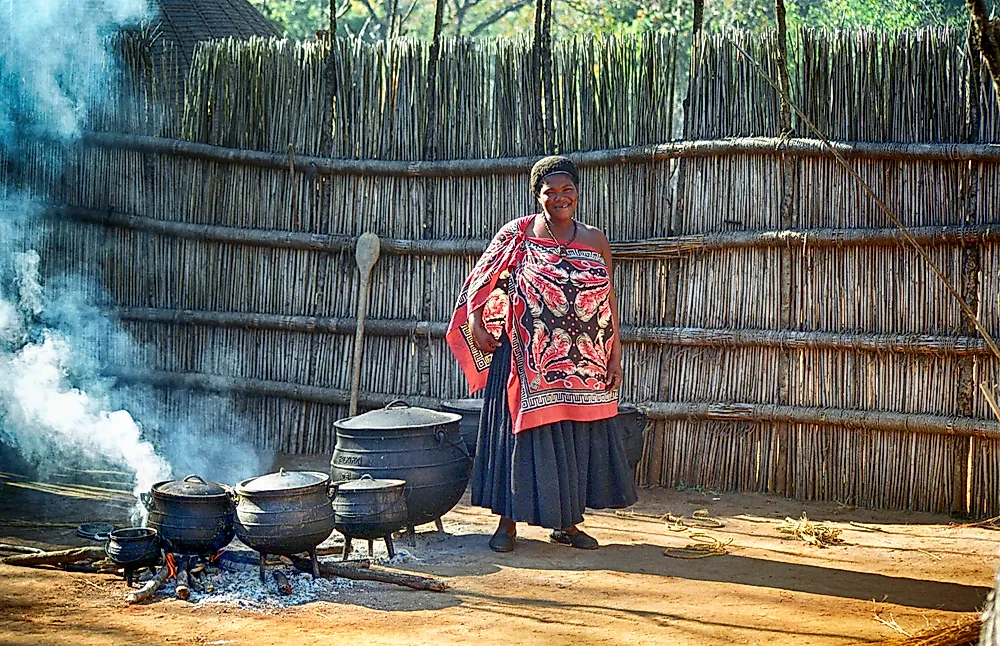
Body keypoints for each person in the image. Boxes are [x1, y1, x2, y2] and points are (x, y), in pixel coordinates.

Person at [446, 155, 638, 553]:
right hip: (523, 360)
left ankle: (566, 524)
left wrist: (615, 356)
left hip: (583, 363)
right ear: (538, 196)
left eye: (567, 190)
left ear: (578, 192)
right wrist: (479, 325)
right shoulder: (517, 234)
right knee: (519, 438)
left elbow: (607, 301)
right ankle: (506, 524)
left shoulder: (595, 239)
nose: (560, 198)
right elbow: (480, 283)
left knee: (571, 440)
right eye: (551, 192)